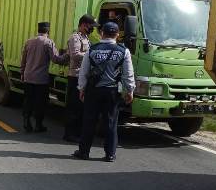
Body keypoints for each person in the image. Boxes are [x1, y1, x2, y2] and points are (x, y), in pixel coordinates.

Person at [73, 21, 135, 162]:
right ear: (117, 35)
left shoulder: (92, 49)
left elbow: (84, 72)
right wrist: (130, 90)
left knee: (89, 122)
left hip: (93, 91)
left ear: (102, 33)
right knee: (111, 123)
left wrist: (81, 88)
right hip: (112, 91)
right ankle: (110, 154)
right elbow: (128, 73)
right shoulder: (123, 51)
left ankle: (84, 152)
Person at [20, 21, 68, 133]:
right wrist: (68, 55)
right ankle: (38, 125)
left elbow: (23, 60)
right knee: (40, 102)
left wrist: (22, 72)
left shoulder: (29, 42)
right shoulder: (48, 43)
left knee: (28, 100)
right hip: (41, 79)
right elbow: (56, 59)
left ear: (38, 30)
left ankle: (26, 122)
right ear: (48, 31)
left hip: (28, 77)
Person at [63, 14, 98, 142]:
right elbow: (76, 55)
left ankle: (77, 132)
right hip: (75, 76)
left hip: (84, 77)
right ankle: (69, 134)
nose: (92, 29)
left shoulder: (86, 38)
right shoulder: (75, 37)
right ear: (83, 25)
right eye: (91, 26)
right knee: (74, 106)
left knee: (81, 107)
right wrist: (92, 54)